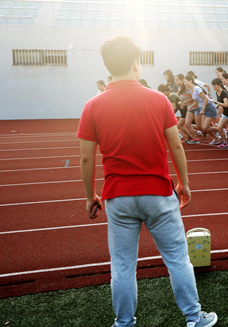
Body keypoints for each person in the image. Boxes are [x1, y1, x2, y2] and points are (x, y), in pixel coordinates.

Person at [77, 36, 217, 327]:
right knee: (177, 260)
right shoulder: (158, 99)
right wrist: (184, 182)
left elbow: (86, 159)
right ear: (136, 64)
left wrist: (90, 195)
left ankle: (124, 322)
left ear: (107, 66)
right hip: (157, 193)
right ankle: (194, 318)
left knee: (123, 267)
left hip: (117, 196)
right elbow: (176, 146)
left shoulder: (92, 106)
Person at [184, 75, 219, 144]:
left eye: (185, 81)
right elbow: (197, 101)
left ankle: (220, 129)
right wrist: (191, 107)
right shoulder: (191, 90)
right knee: (203, 128)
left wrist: (203, 108)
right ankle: (216, 138)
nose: (184, 83)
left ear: (190, 81)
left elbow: (206, 98)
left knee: (205, 127)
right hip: (205, 108)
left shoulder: (197, 88)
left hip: (209, 107)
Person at [211, 78, 228, 149]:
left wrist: (216, 102)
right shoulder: (217, 92)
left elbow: (226, 104)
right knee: (219, 128)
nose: (214, 87)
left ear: (219, 85)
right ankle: (225, 143)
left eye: (215, 85)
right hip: (226, 114)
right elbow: (221, 102)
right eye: (213, 86)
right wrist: (218, 104)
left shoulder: (224, 93)